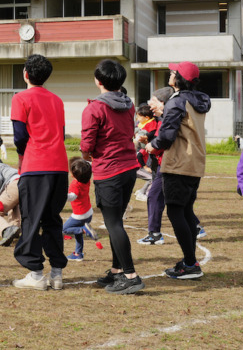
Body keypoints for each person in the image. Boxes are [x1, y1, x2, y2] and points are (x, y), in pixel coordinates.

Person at [81, 59, 143, 295]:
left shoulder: (94, 108)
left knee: (113, 223)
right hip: (129, 167)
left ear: (98, 81)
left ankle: (130, 275)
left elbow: (87, 144)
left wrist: (85, 156)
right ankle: (117, 270)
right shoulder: (129, 105)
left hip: (109, 170)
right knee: (116, 220)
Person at [10, 54, 69, 291]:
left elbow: (20, 136)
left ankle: (35, 273)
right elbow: (62, 134)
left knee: (32, 220)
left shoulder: (20, 98)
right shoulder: (57, 100)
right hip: (59, 167)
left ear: (25, 74)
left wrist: (24, 156)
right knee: (53, 220)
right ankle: (56, 274)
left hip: (36, 166)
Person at [147, 61, 210, 280]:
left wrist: (151, 145)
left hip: (179, 164)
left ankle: (191, 263)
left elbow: (166, 136)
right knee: (185, 212)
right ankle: (189, 261)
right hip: (195, 163)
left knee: (175, 212)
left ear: (179, 79)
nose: (170, 73)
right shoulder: (196, 100)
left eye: (173, 72)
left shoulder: (177, 101)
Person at [136, 87, 173, 246]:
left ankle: (155, 234)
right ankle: (155, 233)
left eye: (154, 101)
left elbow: (163, 141)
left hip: (166, 165)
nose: (150, 104)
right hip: (161, 164)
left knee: (157, 197)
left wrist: (149, 145)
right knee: (170, 200)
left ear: (163, 103)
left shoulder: (167, 120)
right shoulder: (162, 119)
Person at [63, 157, 97, 262]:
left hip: (79, 215)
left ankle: (84, 230)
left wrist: (61, 196)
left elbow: (72, 196)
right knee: (77, 235)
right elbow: (88, 165)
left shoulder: (75, 184)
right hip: (88, 212)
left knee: (63, 230)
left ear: (73, 174)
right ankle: (78, 254)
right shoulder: (86, 180)